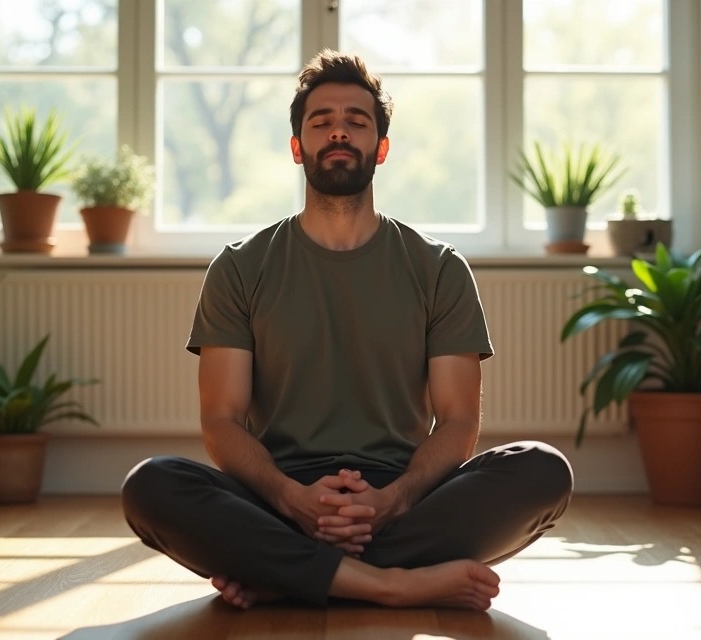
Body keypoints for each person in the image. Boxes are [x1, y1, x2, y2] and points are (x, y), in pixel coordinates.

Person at [121, 50, 574, 612]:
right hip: (277, 497)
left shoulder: (438, 268)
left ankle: (288, 573)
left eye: (357, 121)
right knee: (152, 485)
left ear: (380, 148)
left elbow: (458, 420)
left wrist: (392, 501)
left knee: (543, 469)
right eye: (321, 120)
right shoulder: (239, 267)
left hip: (403, 496)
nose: (339, 129)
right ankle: (390, 582)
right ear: (297, 148)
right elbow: (221, 420)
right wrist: (292, 500)